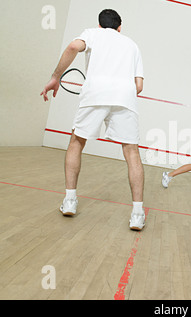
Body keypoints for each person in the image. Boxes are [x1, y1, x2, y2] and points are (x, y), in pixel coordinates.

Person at [40, 9, 146, 231]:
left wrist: (54, 77)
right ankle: (137, 214)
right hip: (125, 97)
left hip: (96, 93)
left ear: (99, 26)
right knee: (132, 151)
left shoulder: (92, 34)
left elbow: (72, 47)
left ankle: (70, 201)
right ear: (120, 27)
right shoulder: (132, 45)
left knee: (77, 143)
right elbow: (139, 86)